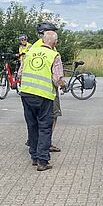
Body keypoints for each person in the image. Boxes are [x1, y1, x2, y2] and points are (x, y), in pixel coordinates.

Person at [19, 32, 59, 170]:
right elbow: (57, 78)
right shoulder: (54, 55)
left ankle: (34, 157)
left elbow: (20, 73)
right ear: (54, 43)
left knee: (32, 125)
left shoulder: (30, 52)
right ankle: (43, 161)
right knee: (44, 127)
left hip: (26, 93)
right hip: (43, 95)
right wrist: (63, 84)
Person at [37, 22, 65, 153]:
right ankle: (46, 143)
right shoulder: (50, 50)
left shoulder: (34, 48)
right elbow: (57, 77)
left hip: (32, 90)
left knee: (36, 117)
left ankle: (36, 141)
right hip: (48, 90)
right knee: (52, 116)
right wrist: (63, 85)